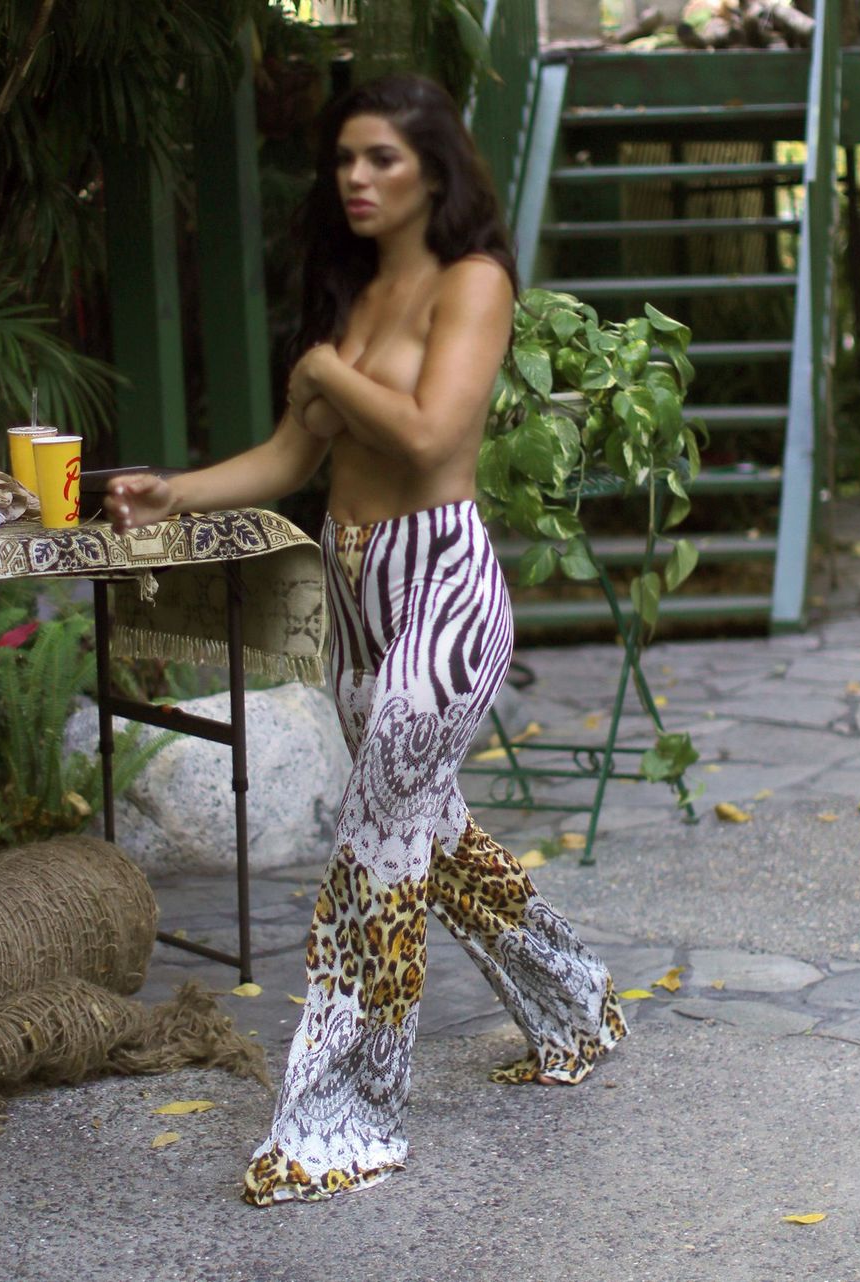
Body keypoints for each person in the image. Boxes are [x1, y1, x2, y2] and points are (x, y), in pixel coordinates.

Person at [105, 74, 626, 1206]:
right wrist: (172, 493)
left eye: (381, 157)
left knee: (374, 842)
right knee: (428, 832)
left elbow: (433, 435)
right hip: (354, 597)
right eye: (344, 157)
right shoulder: (349, 294)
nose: (356, 176)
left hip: (443, 591)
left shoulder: (472, 281)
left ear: (433, 169)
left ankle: (344, 1114)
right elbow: (292, 457)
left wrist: (325, 373)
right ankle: (575, 1001)